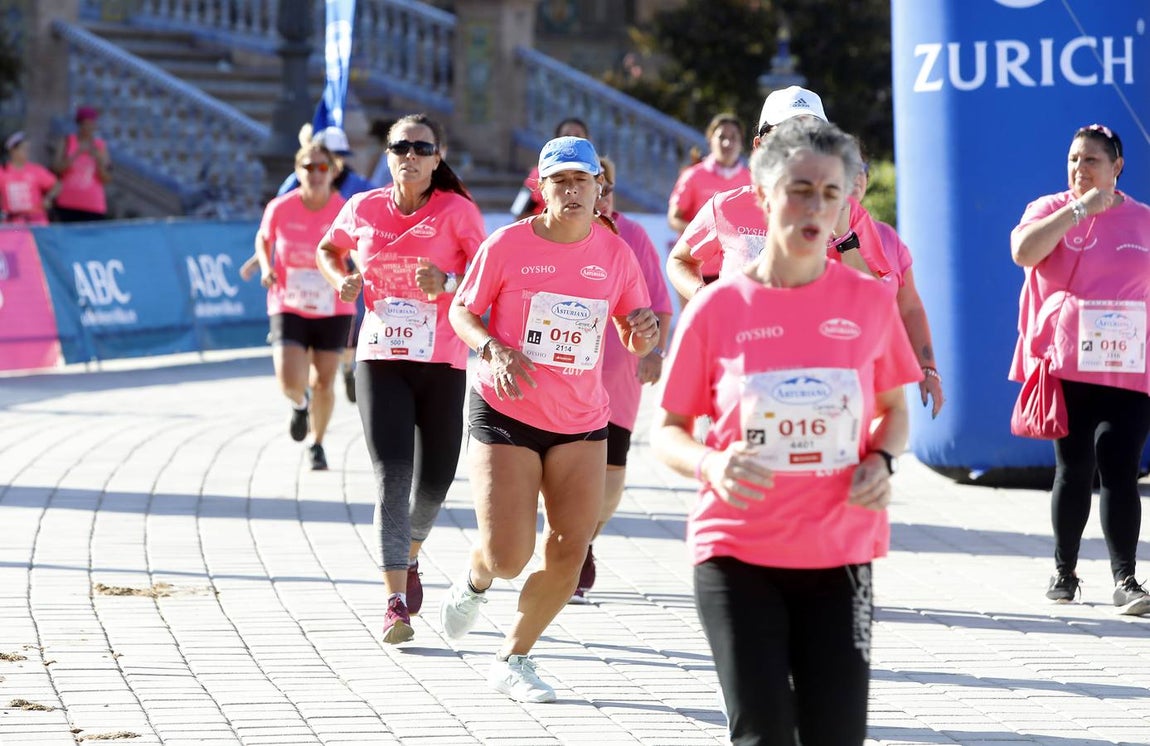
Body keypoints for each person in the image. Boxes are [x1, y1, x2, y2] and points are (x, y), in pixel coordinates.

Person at [651, 117, 922, 745]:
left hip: (841, 552)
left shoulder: (869, 302)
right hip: (736, 548)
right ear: (764, 193)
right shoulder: (718, 306)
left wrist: (881, 459)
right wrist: (710, 465)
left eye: (831, 193)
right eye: (801, 188)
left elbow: (893, 410)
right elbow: (667, 430)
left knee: (835, 735)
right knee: (765, 733)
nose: (816, 206)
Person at [441, 136, 659, 703]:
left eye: (581, 181)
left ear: (598, 190)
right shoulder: (508, 245)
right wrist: (492, 349)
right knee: (508, 556)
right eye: (558, 181)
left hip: (582, 419)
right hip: (506, 409)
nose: (571, 190)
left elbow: (629, 327)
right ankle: (476, 577)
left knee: (570, 545)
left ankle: (514, 657)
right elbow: (463, 309)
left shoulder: (615, 253)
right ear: (541, 189)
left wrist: (643, 333)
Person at [316, 113, 486, 644]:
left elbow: (486, 277)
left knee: (435, 480)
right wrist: (341, 278)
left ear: (437, 158)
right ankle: (394, 603)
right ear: (387, 156)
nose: (409, 155)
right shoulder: (363, 207)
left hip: (443, 361)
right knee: (391, 475)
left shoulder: (458, 212)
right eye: (399, 146)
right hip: (380, 356)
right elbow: (328, 248)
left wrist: (448, 280)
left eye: (421, 147)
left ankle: (410, 552)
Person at [1009, 123, 1150, 615]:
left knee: (1121, 468)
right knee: (1073, 468)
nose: (1079, 168)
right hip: (1068, 364)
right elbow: (1023, 253)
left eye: (1091, 160)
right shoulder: (1049, 209)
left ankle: (1126, 578)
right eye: (1073, 159)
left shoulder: (1143, 220)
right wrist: (1078, 211)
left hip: (1130, 367)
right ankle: (1065, 570)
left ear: (1117, 167)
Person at [665, 86, 893, 302]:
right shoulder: (726, 206)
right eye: (785, 136)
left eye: (812, 136)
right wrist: (706, 299)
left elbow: (876, 298)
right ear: (759, 145)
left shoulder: (848, 212)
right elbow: (679, 260)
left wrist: (843, 236)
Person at [571, 155, 674, 603]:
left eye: (606, 188)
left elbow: (660, 305)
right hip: (566, 379)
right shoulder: (553, 233)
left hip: (618, 375)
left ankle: (585, 540)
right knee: (567, 473)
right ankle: (569, 548)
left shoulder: (632, 236)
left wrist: (654, 351)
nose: (601, 196)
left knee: (611, 483)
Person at [254, 140, 352, 471]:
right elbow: (264, 237)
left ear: (333, 172)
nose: (314, 174)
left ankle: (317, 443)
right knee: (289, 379)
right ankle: (298, 404)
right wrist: (267, 268)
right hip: (288, 301)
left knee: (324, 381)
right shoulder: (280, 207)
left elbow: (362, 249)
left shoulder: (345, 210)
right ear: (297, 171)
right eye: (307, 167)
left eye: (321, 167)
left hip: (332, 305)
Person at [666, 112, 751, 289]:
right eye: (721, 137)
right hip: (695, 267)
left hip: (735, 270)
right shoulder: (693, 176)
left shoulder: (751, 178)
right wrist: (708, 233)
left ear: (741, 143)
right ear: (710, 140)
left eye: (733, 137)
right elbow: (673, 218)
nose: (727, 143)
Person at [510, 117, 589, 220]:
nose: (571, 140)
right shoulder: (538, 175)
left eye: (577, 136)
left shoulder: (596, 174)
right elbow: (519, 213)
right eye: (566, 135)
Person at [52, 106, 112, 222]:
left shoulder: (100, 146)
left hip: (93, 205)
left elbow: (106, 178)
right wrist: (75, 154)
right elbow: (56, 168)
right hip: (68, 202)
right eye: (85, 124)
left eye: (91, 124)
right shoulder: (67, 141)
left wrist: (98, 160)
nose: (88, 128)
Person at [1, 132, 60, 225]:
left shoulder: (36, 170)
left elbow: (56, 185)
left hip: (37, 221)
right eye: (23, 149)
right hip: (12, 224)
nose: (27, 152)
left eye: (28, 149)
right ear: (12, 150)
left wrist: (48, 198)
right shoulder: (2, 172)